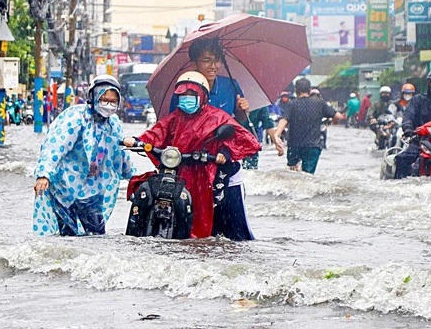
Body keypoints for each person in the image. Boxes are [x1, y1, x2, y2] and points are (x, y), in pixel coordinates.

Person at [124, 71, 261, 240]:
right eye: (183, 94)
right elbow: (156, 134)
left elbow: (246, 141)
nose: (186, 98)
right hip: (180, 172)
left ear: (203, 96)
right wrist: (136, 140)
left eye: (192, 94)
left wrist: (224, 153)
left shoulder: (217, 117)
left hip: (206, 174)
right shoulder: (174, 118)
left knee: (211, 224)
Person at [33, 74, 135, 236]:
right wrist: (44, 174)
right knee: (68, 236)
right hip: (65, 187)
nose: (108, 105)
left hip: (92, 189)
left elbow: (119, 154)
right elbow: (55, 146)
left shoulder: (113, 123)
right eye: (104, 99)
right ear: (93, 97)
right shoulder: (76, 118)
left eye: (113, 101)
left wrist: (135, 178)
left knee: (96, 234)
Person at [274, 78, 344, 174]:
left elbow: (284, 120)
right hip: (312, 146)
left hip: (294, 145)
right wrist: (334, 121)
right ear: (310, 90)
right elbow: (338, 116)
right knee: (308, 176)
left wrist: (276, 135)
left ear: (296, 91)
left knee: (292, 174)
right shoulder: (319, 103)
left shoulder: (292, 104)